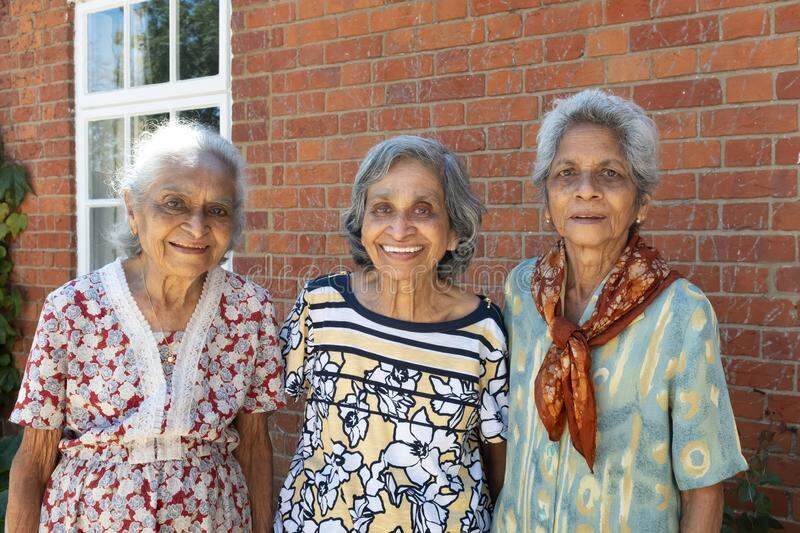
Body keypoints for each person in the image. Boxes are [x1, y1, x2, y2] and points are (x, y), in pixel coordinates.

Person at [7, 122, 284, 531]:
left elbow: (255, 445)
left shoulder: (250, 309)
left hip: (215, 521)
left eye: (218, 210)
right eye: (174, 203)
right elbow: (34, 458)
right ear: (133, 210)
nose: (197, 226)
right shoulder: (72, 308)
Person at [492, 90, 747, 532]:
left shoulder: (681, 312)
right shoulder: (522, 290)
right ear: (548, 200)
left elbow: (703, 487)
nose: (586, 189)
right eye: (566, 173)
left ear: (641, 202)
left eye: (609, 174)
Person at [275, 135, 509, 532]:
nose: (399, 229)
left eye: (423, 209)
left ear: (454, 231)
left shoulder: (483, 331)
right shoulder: (321, 305)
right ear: (362, 224)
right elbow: (254, 407)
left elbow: (498, 463)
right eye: (382, 208)